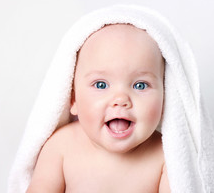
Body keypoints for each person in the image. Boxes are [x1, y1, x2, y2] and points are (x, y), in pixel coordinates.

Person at [26, 24, 170, 192]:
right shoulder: (61, 147)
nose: (120, 99)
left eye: (140, 85)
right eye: (101, 85)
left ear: (165, 98)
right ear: (73, 99)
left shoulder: (165, 157)